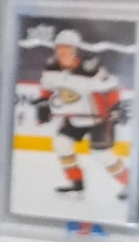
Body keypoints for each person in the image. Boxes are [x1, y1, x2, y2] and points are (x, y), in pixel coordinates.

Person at [34, 28, 130, 200]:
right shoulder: (51, 67)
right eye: (60, 47)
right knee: (62, 144)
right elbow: (46, 88)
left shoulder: (90, 69)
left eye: (68, 48)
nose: (63, 52)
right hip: (73, 117)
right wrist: (43, 103)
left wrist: (115, 108)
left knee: (102, 155)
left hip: (98, 119)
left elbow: (112, 88)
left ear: (76, 50)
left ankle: (132, 185)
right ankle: (76, 184)